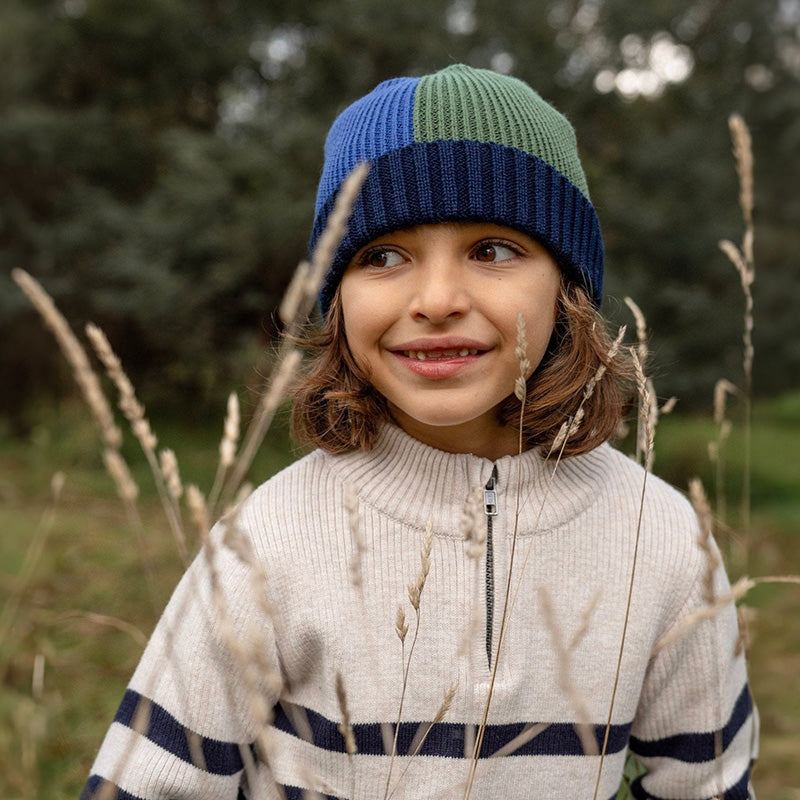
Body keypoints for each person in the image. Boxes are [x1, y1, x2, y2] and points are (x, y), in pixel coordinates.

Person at [81, 64, 757, 800]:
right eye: (385, 256)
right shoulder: (267, 543)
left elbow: (710, 785)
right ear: (336, 298)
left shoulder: (656, 539)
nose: (436, 300)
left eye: (492, 250)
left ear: (567, 291)